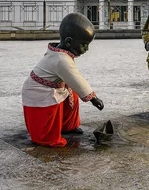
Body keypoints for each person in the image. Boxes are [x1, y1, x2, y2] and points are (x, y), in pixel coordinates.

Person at [21, 12, 104, 147]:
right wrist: (93, 99)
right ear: (69, 42)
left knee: (73, 95)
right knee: (70, 94)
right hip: (39, 93)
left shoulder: (59, 53)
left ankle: (68, 126)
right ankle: (49, 138)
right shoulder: (61, 60)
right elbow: (77, 80)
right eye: (84, 44)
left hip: (51, 88)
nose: (87, 49)